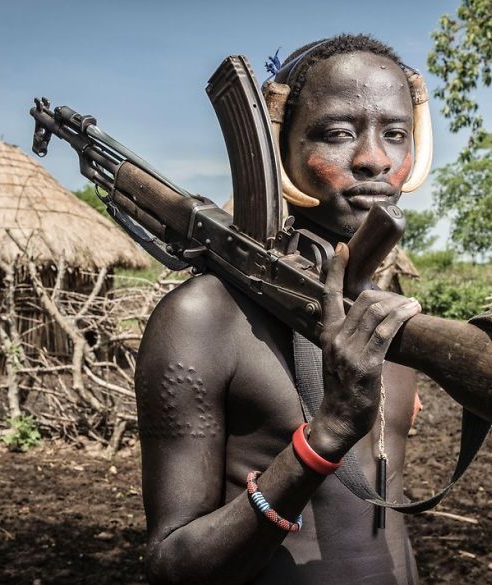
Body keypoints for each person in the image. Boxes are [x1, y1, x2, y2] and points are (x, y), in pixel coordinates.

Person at [135, 34, 427, 584]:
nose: (374, 158)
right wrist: (326, 435)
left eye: (395, 133)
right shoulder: (204, 317)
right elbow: (172, 564)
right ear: (277, 150)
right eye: (338, 133)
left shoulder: (392, 317)